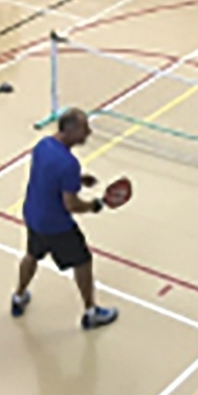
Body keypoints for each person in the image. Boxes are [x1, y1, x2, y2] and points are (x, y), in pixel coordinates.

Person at [12, 108, 118, 329]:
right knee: (83, 262)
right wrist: (93, 206)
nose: (88, 133)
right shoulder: (69, 164)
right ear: (70, 130)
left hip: (33, 215)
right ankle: (91, 312)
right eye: (84, 128)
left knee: (32, 254)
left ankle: (18, 296)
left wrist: (77, 180)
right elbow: (71, 204)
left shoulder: (43, 146)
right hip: (55, 225)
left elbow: (50, 175)